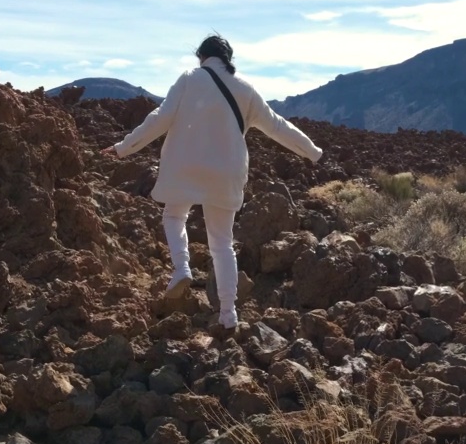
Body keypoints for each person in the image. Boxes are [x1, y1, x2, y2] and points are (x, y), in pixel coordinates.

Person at [103, 35, 324, 330]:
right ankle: (228, 315)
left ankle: (182, 268)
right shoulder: (246, 89)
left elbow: (160, 118)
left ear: (202, 56)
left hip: (186, 166)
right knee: (221, 243)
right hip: (226, 173)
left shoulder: (189, 79)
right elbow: (277, 125)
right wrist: (312, 152)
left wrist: (123, 148)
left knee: (173, 215)